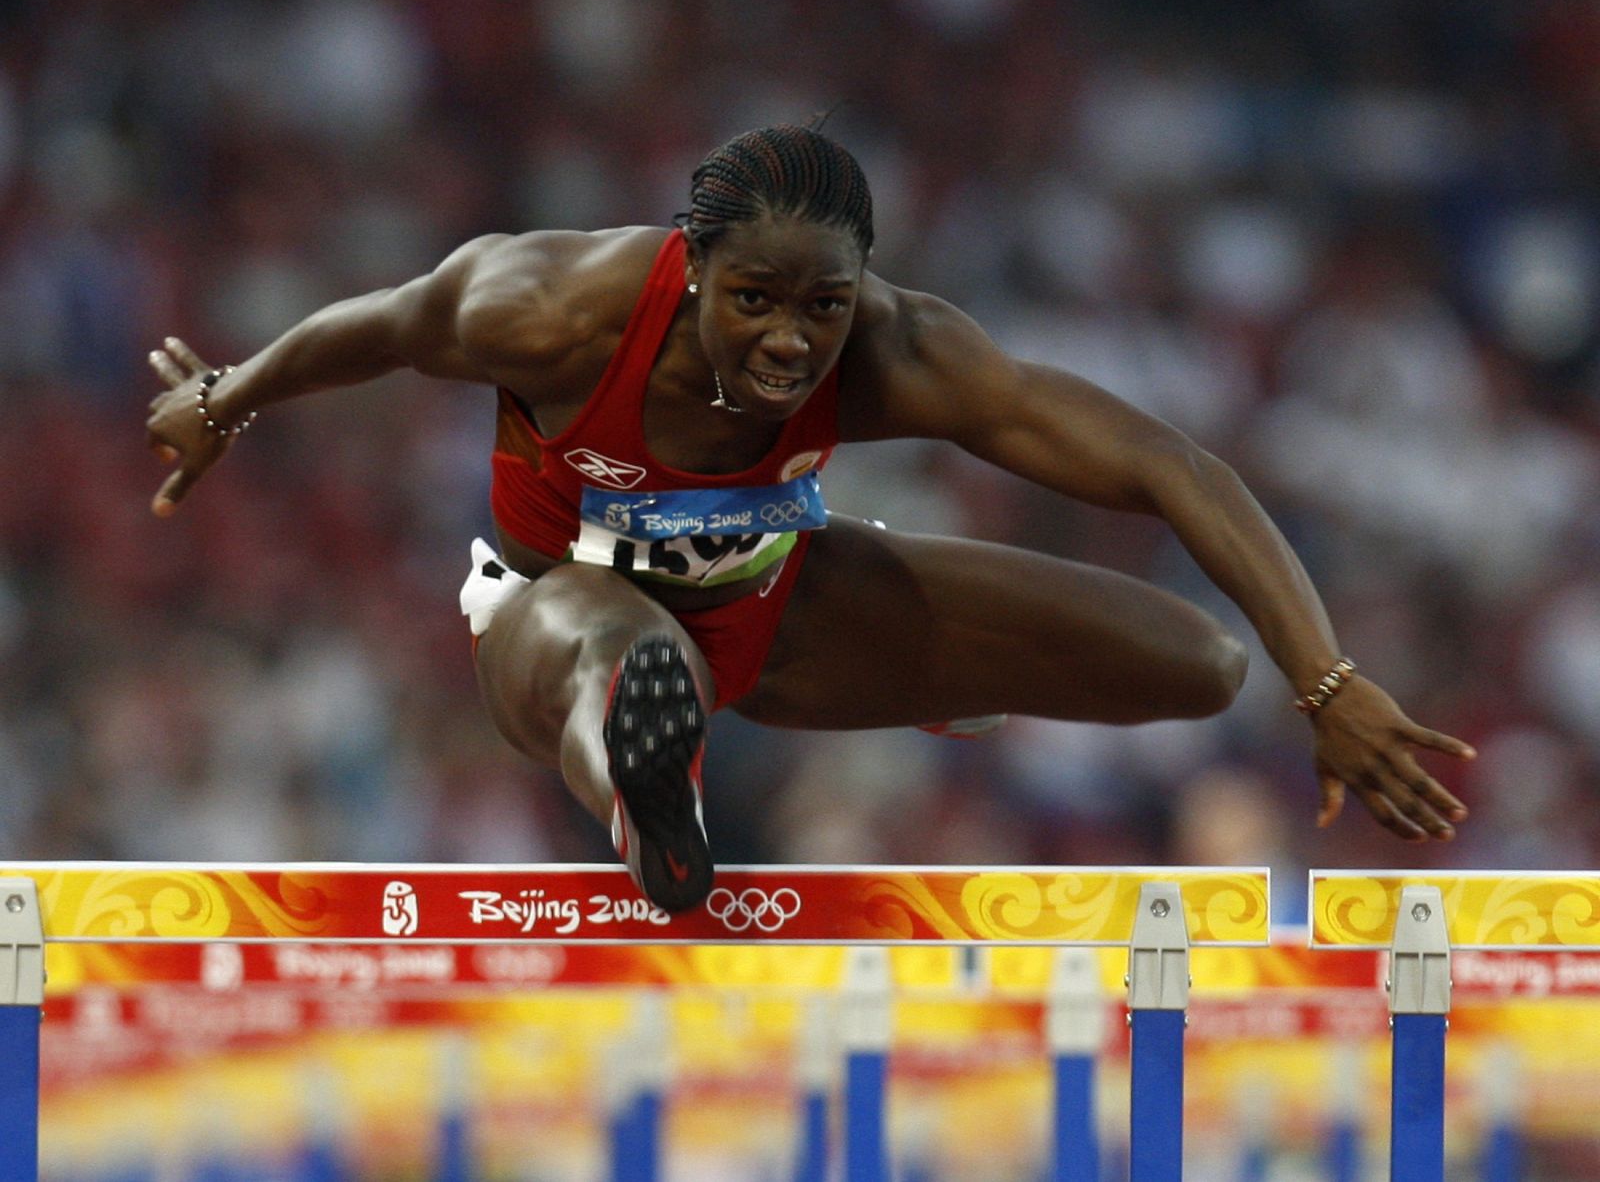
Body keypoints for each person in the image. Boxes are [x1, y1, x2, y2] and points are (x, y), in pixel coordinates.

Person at [144, 124, 1475, 913]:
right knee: (617, 649)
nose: (790, 342)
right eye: (755, 301)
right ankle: (650, 804)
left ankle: (783, 706)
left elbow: (1168, 463)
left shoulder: (898, 353)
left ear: (863, 289)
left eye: (822, 306)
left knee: (1198, 667)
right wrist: (228, 397)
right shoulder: (545, 307)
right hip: (552, 614)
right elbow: (367, 329)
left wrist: (1326, 680)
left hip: (779, 608)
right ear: (691, 270)